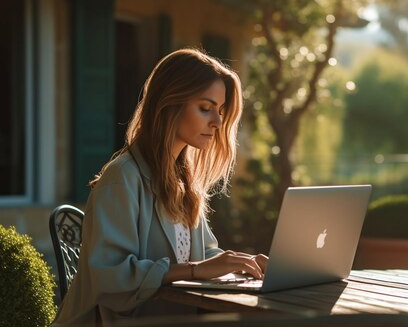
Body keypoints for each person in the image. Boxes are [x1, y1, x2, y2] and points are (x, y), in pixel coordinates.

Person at [52, 48, 268, 326]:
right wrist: (194, 270)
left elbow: (205, 257)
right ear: (169, 104)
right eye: (205, 108)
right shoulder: (122, 178)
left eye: (221, 111)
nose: (216, 122)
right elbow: (110, 277)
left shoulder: (184, 181)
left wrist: (245, 263)